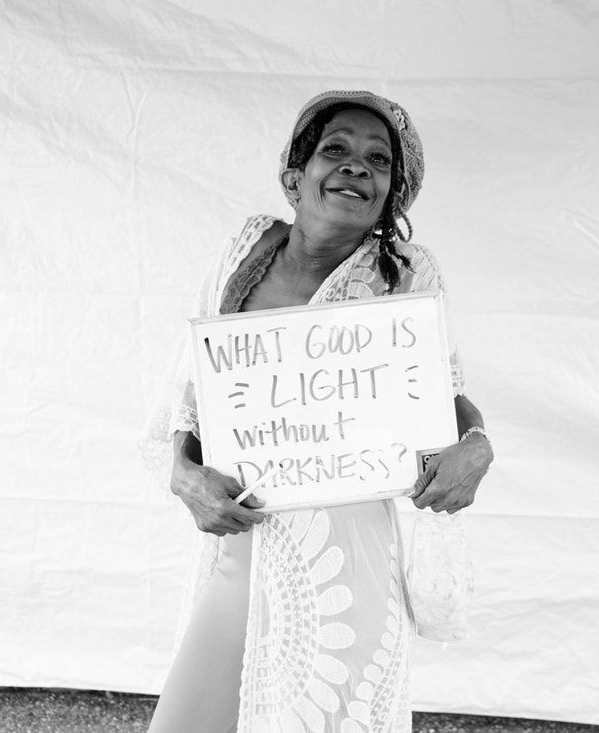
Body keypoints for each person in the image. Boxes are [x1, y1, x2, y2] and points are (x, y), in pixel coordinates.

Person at [146, 90, 494, 733]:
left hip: (347, 558)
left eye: (378, 160)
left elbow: (445, 396)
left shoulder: (406, 273)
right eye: (336, 149)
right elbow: (192, 392)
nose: (357, 166)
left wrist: (476, 444)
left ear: (391, 195)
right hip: (243, 537)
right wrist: (183, 473)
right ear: (294, 177)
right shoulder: (245, 250)